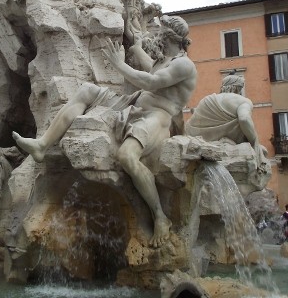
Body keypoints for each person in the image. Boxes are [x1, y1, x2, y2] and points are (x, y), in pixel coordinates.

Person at [13, 15, 197, 247]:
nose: (156, 33)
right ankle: (42, 145)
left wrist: (119, 64)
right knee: (87, 90)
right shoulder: (166, 60)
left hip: (157, 117)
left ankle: (160, 216)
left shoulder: (184, 65)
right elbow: (150, 67)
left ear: (169, 35)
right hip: (134, 103)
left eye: (160, 30)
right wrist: (136, 46)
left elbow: (151, 82)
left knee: (127, 156)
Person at [186, 74, 269, 174]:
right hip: (232, 146)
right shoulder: (243, 101)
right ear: (238, 88)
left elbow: (191, 124)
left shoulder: (207, 100)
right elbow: (244, 119)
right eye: (241, 88)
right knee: (264, 151)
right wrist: (254, 141)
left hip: (202, 143)